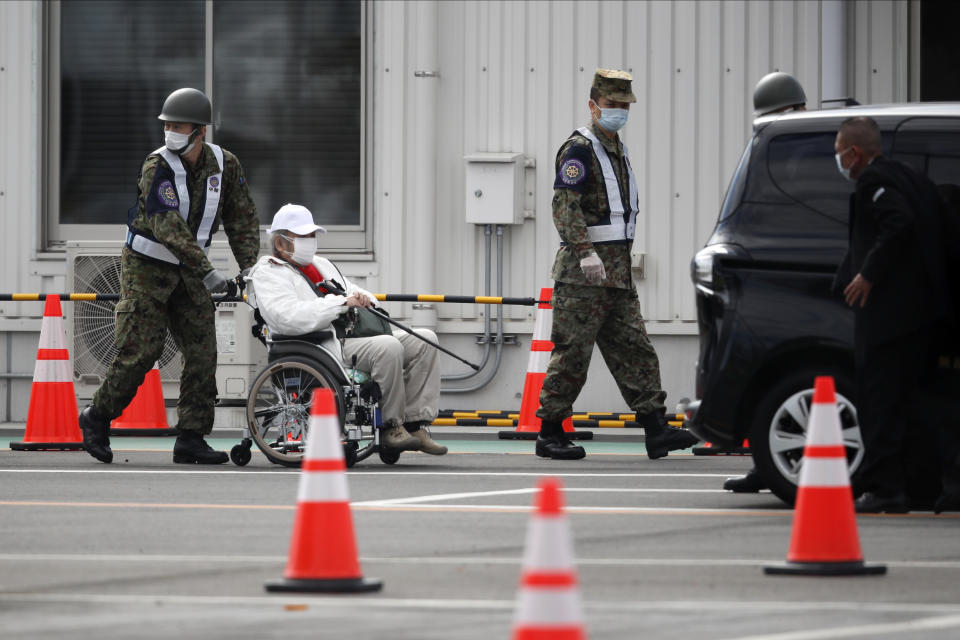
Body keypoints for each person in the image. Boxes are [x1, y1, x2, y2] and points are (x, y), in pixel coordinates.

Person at [77, 88, 260, 465]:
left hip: (191, 272)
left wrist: (251, 269)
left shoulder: (226, 166)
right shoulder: (156, 167)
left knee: (202, 351)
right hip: (147, 270)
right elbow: (168, 226)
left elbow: (241, 218)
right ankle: (97, 416)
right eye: (167, 125)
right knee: (142, 352)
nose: (170, 132)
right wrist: (209, 273)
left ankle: (191, 437)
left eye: (178, 126)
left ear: (200, 132)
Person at [534, 68, 699, 461]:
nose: (619, 111)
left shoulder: (616, 149)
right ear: (594, 105)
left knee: (636, 349)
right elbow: (564, 205)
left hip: (617, 274)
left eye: (624, 105)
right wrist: (585, 251)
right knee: (572, 354)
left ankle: (656, 429)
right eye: (612, 105)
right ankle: (550, 431)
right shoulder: (579, 149)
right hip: (583, 275)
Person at [249, 204, 447, 455]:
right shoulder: (269, 273)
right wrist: (340, 304)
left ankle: (414, 422)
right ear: (280, 242)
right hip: (319, 342)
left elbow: (350, 289)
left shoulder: (320, 264)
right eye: (304, 237)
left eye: (312, 236)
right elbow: (287, 317)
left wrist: (363, 298)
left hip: (349, 335)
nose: (311, 242)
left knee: (425, 339)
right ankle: (390, 426)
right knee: (388, 347)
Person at [833, 116, 955, 512]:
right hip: (924, 316)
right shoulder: (910, 175)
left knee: (880, 403)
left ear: (855, 153)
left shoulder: (873, 181)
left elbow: (897, 222)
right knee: (915, 405)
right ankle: (923, 485)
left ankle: (886, 489)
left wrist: (868, 274)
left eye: (839, 153)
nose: (839, 161)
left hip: (889, 317)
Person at [724, 72, 808, 493]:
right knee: (773, 376)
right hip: (778, 276)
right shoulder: (783, 151)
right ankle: (768, 463)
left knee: (802, 376)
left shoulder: (813, 151)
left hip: (806, 277)